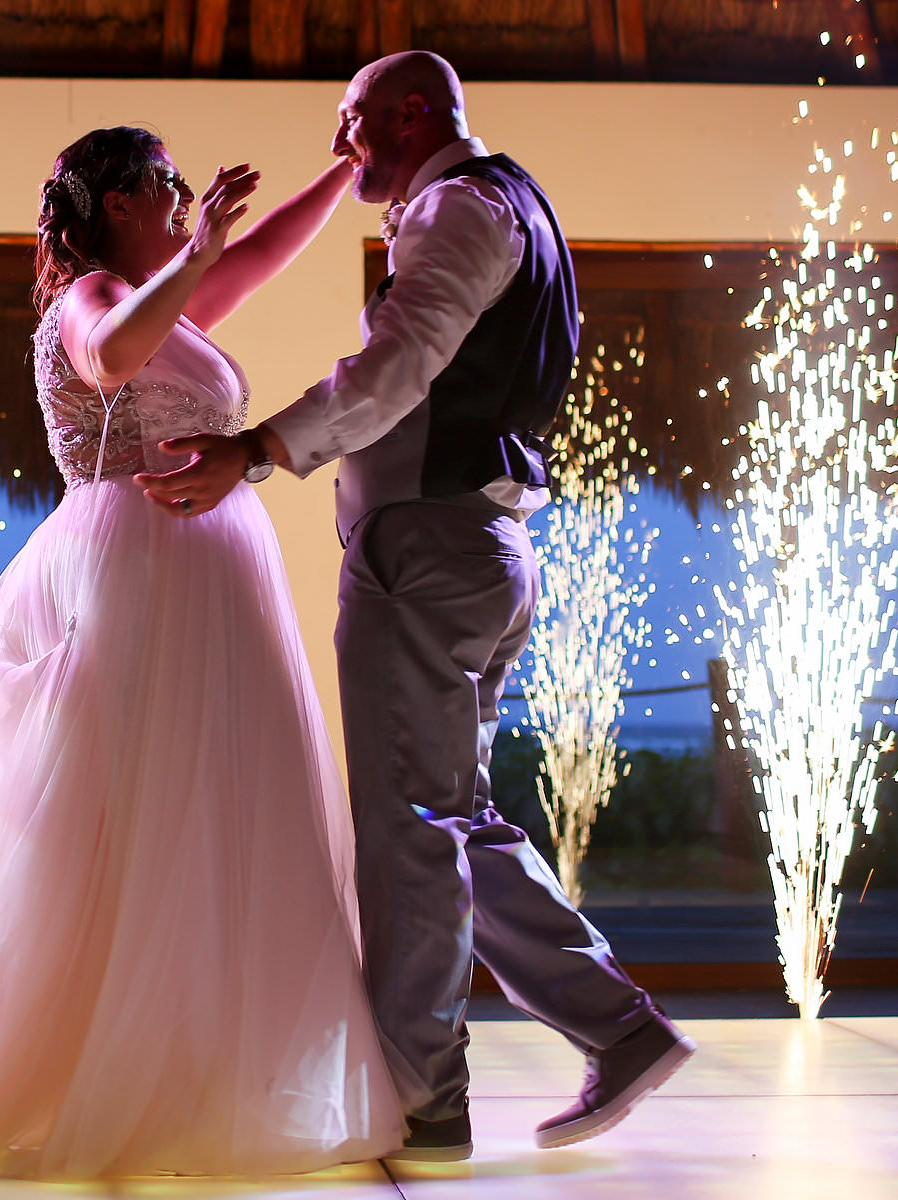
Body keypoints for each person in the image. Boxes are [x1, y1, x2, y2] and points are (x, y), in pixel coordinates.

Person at [0, 127, 404, 1178]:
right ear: (113, 202)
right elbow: (108, 359)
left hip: (213, 571)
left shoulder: (169, 295)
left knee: (214, 811)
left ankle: (196, 1062)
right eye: (168, 188)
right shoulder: (89, 300)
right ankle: (105, 1070)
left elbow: (265, 253)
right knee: (133, 811)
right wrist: (195, 258)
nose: (186, 204)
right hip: (134, 568)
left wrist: (345, 170)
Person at [138, 52, 696, 1161]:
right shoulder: (521, 207)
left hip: (427, 548)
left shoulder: (456, 205)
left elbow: (397, 367)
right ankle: (618, 1030)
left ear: (409, 110)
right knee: (454, 816)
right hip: (484, 548)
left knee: (409, 833)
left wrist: (256, 448)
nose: (344, 145)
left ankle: (422, 1099)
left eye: (351, 122)